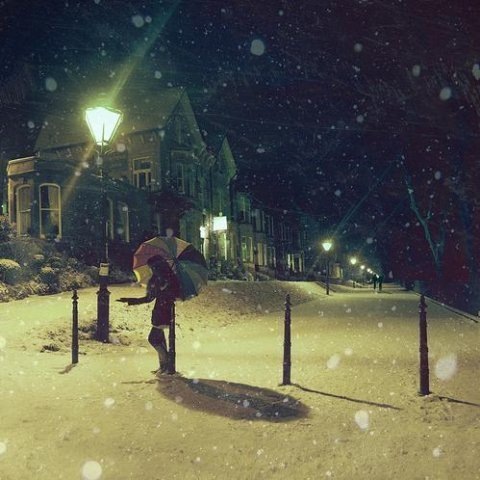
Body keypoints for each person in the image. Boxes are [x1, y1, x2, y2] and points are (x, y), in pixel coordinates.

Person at [117, 256, 178, 375]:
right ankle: (163, 366)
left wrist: (165, 289)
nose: (151, 269)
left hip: (164, 311)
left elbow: (174, 294)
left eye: (152, 267)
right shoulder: (158, 279)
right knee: (159, 339)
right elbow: (149, 298)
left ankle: (167, 362)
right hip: (159, 311)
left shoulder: (168, 279)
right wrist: (129, 300)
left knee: (153, 339)